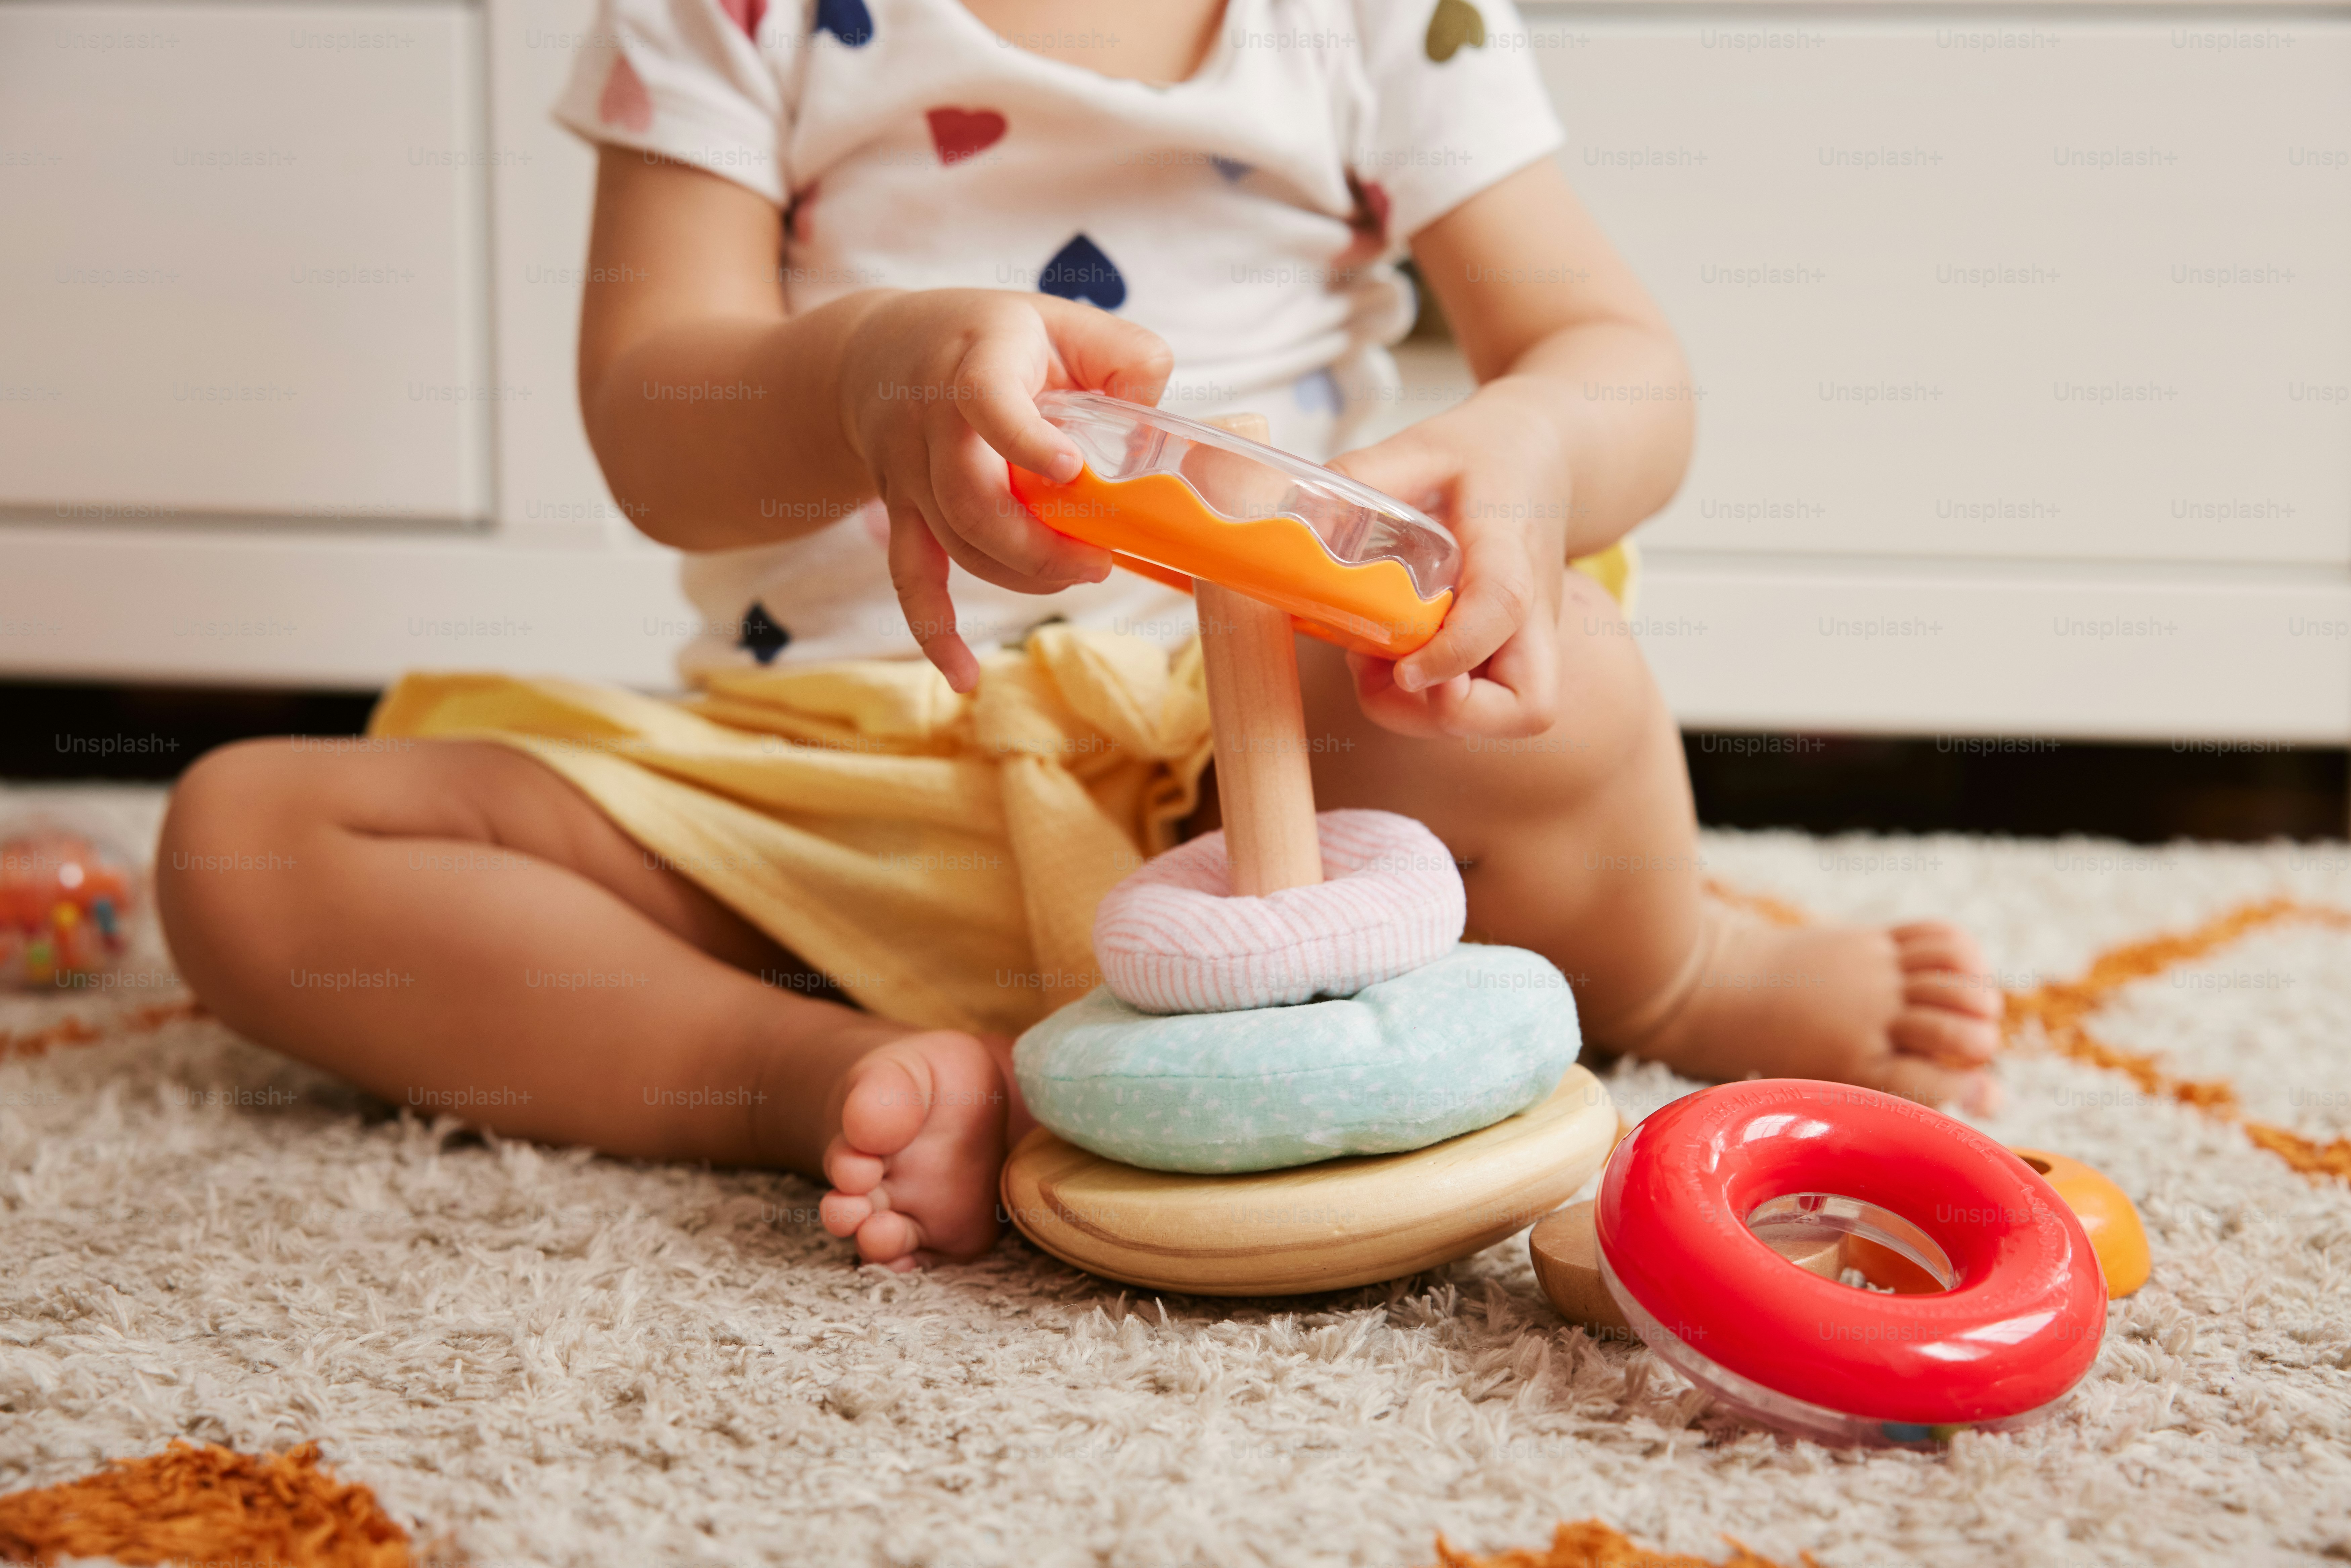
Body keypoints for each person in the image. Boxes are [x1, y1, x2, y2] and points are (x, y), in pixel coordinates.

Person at [157, 0, 2002, 1272]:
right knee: (253, 841)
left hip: (1291, 748)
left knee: (1546, 687)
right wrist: (866, 379)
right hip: (866, 780)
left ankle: (1654, 981)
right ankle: (818, 1076)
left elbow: (1619, 368)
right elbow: (655, 429)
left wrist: (1517, 461)